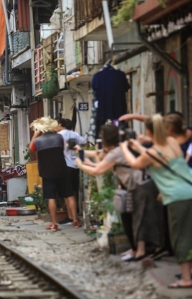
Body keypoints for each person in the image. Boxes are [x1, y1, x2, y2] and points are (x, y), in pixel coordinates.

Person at [121, 114, 192, 288]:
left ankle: (185, 278)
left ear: (149, 132)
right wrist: (138, 145)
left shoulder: (153, 152)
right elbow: (157, 156)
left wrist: (124, 147)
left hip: (177, 197)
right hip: (189, 189)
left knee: (180, 237)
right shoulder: (173, 143)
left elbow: (136, 163)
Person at [75, 124, 164, 261]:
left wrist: (80, 165)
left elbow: (98, 171)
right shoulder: (120, 149)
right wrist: (87, 163)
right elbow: (103, 166)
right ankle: (143, 250)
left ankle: (141, 252)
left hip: (140, 186)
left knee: (140, 219)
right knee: (142, 218)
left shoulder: (115, 153)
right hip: (143, 184)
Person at [29, 117, 79, 231]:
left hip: (47, 172)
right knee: (69, 194)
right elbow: (62, 148)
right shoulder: (59, 137)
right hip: (62, 169)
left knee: (51, 197)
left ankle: (54, 223)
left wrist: (35, 135)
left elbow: (31, 149)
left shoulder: (38, 141)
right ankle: (75, 221)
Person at [56, 118, 86, 225]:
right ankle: (74, 215)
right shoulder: (75, 134)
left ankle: (71, 217)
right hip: (75, 165)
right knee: (74, 191)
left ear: (61, 125)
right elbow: (85, 143)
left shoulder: (59, 135)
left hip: (65, 166)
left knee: (67, 193)